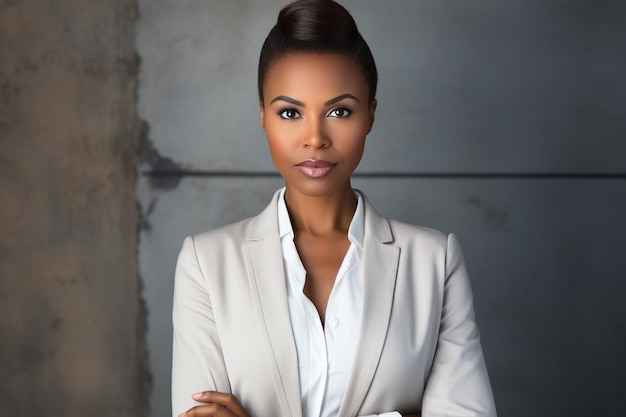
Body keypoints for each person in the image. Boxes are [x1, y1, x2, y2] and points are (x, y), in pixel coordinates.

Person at [171, 1, 497, 416]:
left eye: (339, 111)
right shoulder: (205, 263)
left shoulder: (434, 261)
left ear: (370, 116)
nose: (315, 138)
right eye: (290, 112)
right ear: (263, 117)